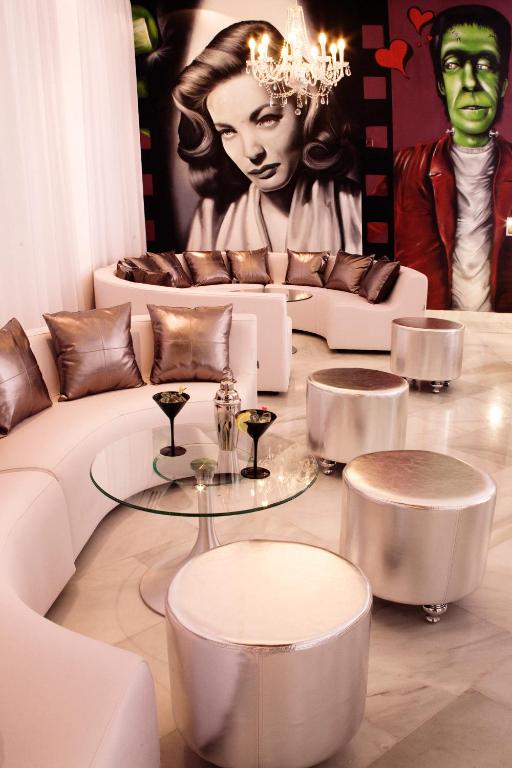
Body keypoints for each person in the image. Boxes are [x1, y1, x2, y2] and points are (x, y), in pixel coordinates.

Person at [173, 20, 362, 254]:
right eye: (228, 131)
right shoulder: (211, 217)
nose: (252, 152)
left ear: (305, 111)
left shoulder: (353, 206)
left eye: (266, 120)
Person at [394, 4, 512, 311]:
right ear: (440, 84)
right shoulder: (406, 166)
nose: (470, 81)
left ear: (503, 85)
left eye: (486, 64)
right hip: (433, 324)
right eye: (453, 64)